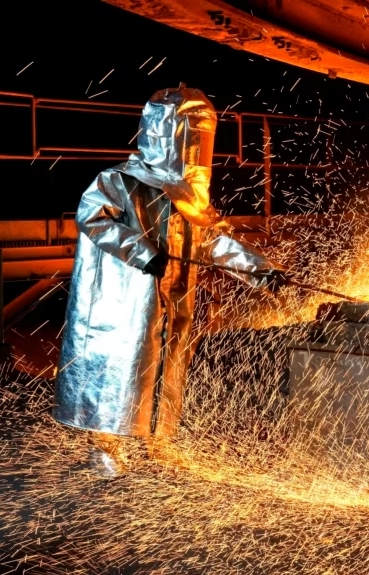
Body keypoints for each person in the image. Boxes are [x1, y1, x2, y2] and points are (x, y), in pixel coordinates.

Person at [53, 85, 287, 477]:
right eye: (191, 137)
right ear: (165, 134)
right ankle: (103, 449)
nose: (196, 149)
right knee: (115, 372)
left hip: (173, 301)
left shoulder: (190, 198)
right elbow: (92, 218)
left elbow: (213, 242)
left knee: (164, 370)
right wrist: (144, 254)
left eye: (202, 139)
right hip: (123, 305)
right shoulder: (120, 181)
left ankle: (155, 445)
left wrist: (260, 271)